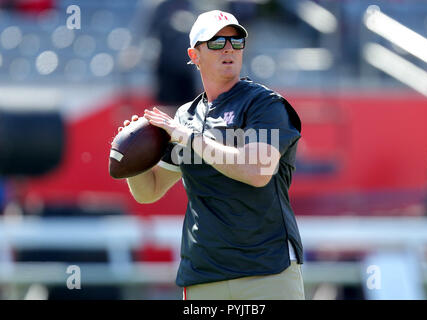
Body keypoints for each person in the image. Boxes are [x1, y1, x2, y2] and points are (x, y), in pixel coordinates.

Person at [119, 10, 304, 300]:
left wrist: (190, 138)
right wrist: (132, 155)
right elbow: (150, 191)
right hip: (204, 275)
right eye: (216, 42)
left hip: (266, 270)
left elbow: (256, 171)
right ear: (195, 55)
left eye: (235, 40)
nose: (228, 48)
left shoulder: (264, 105)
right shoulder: (186, 116)